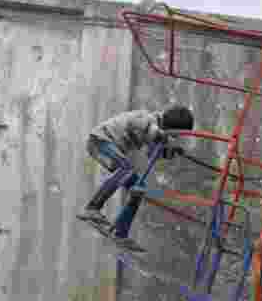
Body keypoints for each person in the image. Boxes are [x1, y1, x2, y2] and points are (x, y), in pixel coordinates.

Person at [77, 105, 194, 252]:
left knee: (138, 188)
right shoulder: (147, 118)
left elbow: (152, 153)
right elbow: (137, 125)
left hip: (110, 149)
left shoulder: (154, 132)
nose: (175, 137)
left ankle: (120, 232)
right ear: (170, 125)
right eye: (176, 134)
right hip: (100, 141)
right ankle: (92, 208)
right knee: (126, 168)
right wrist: (159, 135)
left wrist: (170, 151)